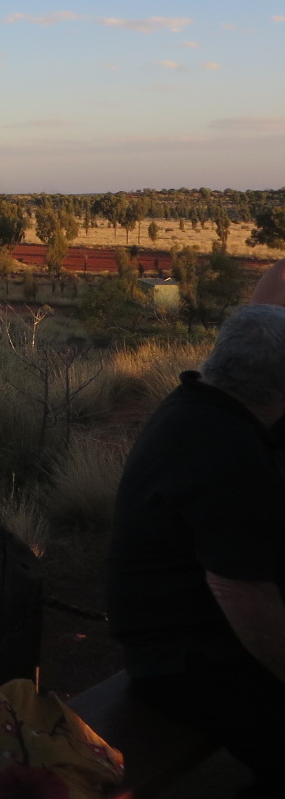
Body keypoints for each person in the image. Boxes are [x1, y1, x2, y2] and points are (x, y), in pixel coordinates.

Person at [106, 303, 285, 799]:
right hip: (188, 661)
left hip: (200, 637)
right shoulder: (225, 450)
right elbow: (244, 597)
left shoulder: (202, 403)